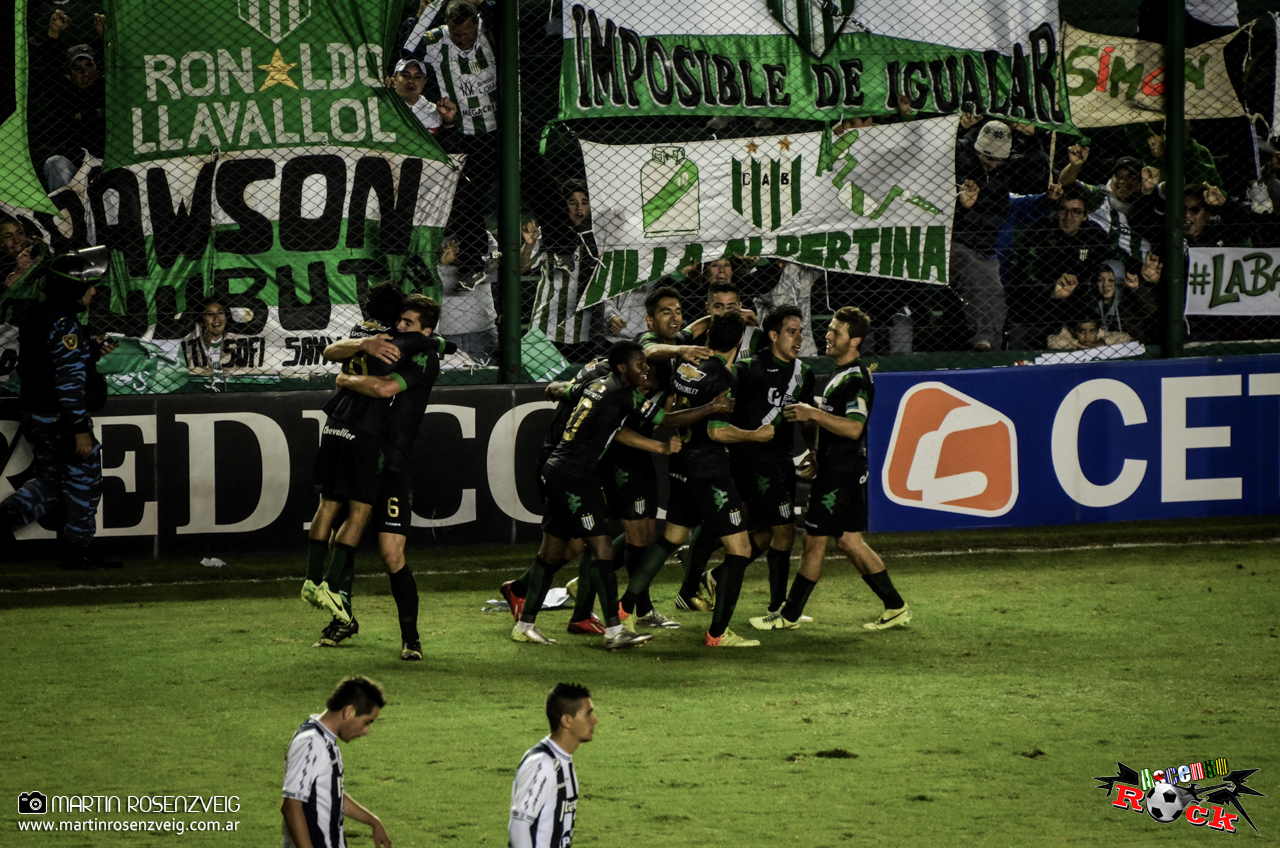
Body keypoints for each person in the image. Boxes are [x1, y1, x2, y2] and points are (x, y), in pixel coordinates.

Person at [302, 284, 451, 634]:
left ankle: (410, 638)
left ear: (425, 329)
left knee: (391, 553)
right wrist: (361, 348)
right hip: (367, 444)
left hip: (393, 460)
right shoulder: (385, 339)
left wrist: (345, 378)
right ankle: (341, 616)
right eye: (399, 318)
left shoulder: (422, 354)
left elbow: (383, 388)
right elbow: (332, 349)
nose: (401, 326)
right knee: (348, 521)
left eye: (408, 322)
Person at [751, 307, 910, 633]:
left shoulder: (855, 380)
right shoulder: (842, 374)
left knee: (813, 540)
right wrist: (817, 452)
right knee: (850, 541)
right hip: (840, 468)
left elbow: (853, 428)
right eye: (830, 330)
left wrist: (813, 413)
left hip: (842, 473)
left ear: (854, 341)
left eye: (836, 332)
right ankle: (895, 607)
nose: (828, 335)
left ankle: (789, 614)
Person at [620, 311, 774, 648]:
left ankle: (624, 608)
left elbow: (672, 410)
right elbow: (717, 433)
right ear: (738, 343)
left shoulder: (687, 367)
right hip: (709, 470)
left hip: (681, 464)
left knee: (672, 535)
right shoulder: (724, 377)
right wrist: (755, 435)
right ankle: (718, 634)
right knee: (740, 548)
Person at [515, 341, 679, 649]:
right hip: (573, 477)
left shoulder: (597, 384)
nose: (645, 369)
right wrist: (711, 408)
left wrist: (553, 389)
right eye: (639, 365)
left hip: (561, 471)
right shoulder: (621, 393)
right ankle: (615, 631)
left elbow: (566, 391)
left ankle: (524, 624)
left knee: (551, 553)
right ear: (621, 368)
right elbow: (667, 421)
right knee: (602, 549)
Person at [0, 246, 119, 569]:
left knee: (52, 482)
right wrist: (80, 430)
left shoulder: (40, 316)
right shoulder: (64, 325)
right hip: (61, 419)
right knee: (85, 482)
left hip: (36, 413)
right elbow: (67, 382)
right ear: (73, 288)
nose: (94, 291)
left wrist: (89, 351)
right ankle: (77, 550)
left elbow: (41, 365)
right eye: (89, 286)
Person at [403, 0, 498, 287]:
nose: (463, 40)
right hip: (465, 133)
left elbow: (497, 11)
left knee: (533, 181)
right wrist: (424, 13)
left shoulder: (488, 29)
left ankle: (563, 243)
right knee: (463, 198)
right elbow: (408, 49)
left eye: (468, 34)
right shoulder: (436, 40)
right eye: (457, 35)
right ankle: (474, 261)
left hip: (503, 129)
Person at [281, 676, 391, 848]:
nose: (366, 731)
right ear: (349, 712)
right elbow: (291, 807)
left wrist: (373, 821)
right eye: (366, 722)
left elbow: (331, 795)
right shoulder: (310, 744)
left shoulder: (325, 740)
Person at [952, 119, 1020, 352]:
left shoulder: (1003, 171)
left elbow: (1037, 175)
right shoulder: (958, 155)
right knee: (972, 270)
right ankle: (983, 340)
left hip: (985, 248)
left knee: (995, 292)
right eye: (990, 158)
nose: (995, 163)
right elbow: (937, 148)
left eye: (1000, 159)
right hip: (952, 241)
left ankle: (994, 349)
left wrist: (1031, 140)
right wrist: (961, 204)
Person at [509, 683, 595, 848]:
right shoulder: (542, 765)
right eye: (588, 714)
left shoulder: (563, 762)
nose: (594, 720)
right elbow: (518, 826)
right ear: (567, 721)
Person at [390, 57, 457, 136]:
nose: (411, 80)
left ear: (425, 81)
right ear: (394, 79)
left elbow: (446, 145)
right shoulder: (383, 105)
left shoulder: (435, 111)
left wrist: (448, 121)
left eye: (417, 77)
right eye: (405, 75)